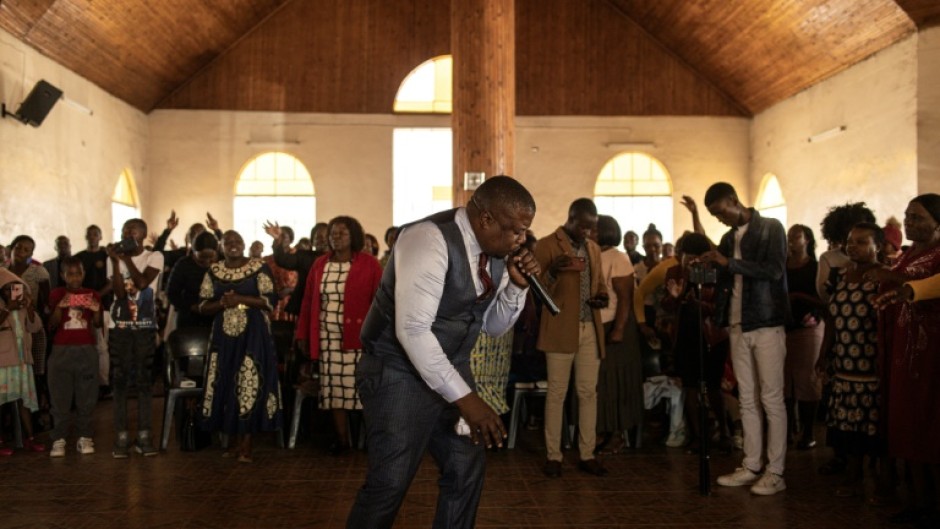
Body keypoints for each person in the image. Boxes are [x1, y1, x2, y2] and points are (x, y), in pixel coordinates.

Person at [346, 176, 538, 529]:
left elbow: (492, 326)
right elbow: (413, 331)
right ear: (486, 220)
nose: (521, 240)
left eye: (525, 231)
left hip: (450, 368)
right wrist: (468, 400)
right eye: (516, 230)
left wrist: (516, 287)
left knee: (466, 467)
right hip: (397, 373)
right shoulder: (428, 238)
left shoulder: (494, 250)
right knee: (390, 482)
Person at [701, 182, 789, 496]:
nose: (720, 219)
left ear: (734, 201)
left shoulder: (770, 228)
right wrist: (710, 267)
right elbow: (727, 279)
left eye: (720, 212)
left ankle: (775, 471)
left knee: (771, 399)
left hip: (766, 323)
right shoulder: (727, 239)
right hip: (738, 325)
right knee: (747, 398)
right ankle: (752, 465)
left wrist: (730, 263)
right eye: (714, 215)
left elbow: (775, 270)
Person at [868, 194, 940, 527]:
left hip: (931, 355)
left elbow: (921, 283)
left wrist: (890, 279)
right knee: (907, 422)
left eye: (918, 217)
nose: (909, 222)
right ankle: (918, 500)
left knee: (930, 423)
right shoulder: (909, 253)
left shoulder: (937, 255)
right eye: (907, 216)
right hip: (904, 353)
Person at [295, 216, 382, 455]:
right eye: (333, 233)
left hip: (360, 338)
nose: (336, 236)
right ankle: (342, 441)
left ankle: (371, 441)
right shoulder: (320, 264)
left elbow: (381, 302)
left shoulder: (369, 264)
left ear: (354, 236)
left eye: (342, 232)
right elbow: (308, 302)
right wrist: (303, 334)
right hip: (328, 336)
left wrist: (380, 337)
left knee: (363, 392)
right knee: (334, 391)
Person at [535, 198, 609, 478]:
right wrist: (554, 269)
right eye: (585, 227)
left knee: (588, 393)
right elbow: (536, 289)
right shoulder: (546, 245)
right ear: (572, 219)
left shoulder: (593, 249)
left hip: (590, 326)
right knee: (556, 393)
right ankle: (554, 456)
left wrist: (602, 296)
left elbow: (599, 282)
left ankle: (587, 454)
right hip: (559, 327)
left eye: (592, 228)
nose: (588, 233)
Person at [198, 230, 283, 463]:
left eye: (237, 241)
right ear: (221, 246)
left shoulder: (258, 267)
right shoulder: (214, 270)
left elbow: (269, 301)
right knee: (224, 381)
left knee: (248, 381)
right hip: (223, 335)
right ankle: (233, 442)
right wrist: (222, 303)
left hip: (253, 334)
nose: (233, 245)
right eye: (228, 243)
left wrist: (241, 300)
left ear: (244, 244)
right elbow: (203, 304)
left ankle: (246, 444)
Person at [816, 223, 885, 499]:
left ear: (877, 246)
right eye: (850, 241)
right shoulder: (841, 275)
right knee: (847, 423)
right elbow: (832, 318)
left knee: (873, 424)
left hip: (870, 362)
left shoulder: (882, 277)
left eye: (861, 242)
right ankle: (854, 475)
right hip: (844, 362)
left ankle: (882, 480)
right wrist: (823, 354)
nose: (852, 246)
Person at [659, 233, 732, 454]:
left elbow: (721, 308)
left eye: (693, 256)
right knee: (689, 385)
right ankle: (698, 436)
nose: (689, 260)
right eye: (684, 255)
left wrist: (698, 302)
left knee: (712, 386)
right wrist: (675, 297)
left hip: (712, 335)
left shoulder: (714, 272)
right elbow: (668, 307)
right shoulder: (674, 272)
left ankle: (725, 432)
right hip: (686, 334)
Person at [106, 218, 164, 458]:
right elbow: (120, 294)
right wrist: (114, 261)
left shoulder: (155, 256)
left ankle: (144, 435)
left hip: (144, 327)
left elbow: (141, 283)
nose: (127, 235)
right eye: (123, 232)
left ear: (143, 234)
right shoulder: (115, 260)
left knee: (143, 380)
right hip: (119, 326)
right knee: (119, 381)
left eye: (132, 231)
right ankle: (121, 436)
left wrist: (124, 259)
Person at [594, 215, 642, 454]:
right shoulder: (592, 254)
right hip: (597, 325)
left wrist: (619, 329)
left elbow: (625, 298)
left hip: (615, 325)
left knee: (616, 381)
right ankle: (601, 429)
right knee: (601, 382)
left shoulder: (618, 257)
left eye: (593, 228)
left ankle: (616, 434)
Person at [47, 257, 102, 457]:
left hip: (86, 349)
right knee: (60, 396)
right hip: (61, 350)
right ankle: (59, 438)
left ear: (84, 274)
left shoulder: (93, 294)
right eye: (70, 274)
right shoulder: (56, 294)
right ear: (62, 276)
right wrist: (60, 306)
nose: (75, 278)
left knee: (86, 396)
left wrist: (95, 310)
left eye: (78, 273)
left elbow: (97, 324)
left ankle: (84, 437)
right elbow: (52, 324)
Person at [784, 224, 823, 450]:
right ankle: (788, 429)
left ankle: (808, 431)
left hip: (808, 326)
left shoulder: (815, 267)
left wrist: (798, 297)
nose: (791, 240)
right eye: (789, 236)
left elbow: (824, 299)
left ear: (807, 239)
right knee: (785, 382)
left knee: (807, 379)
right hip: (785, 327)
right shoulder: (782, 267)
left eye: (795, 236)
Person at [0, 268, 46, 454]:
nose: (13, 291)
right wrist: (7, 308)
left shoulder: (22, 307)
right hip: (3, 360)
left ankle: (30, 438)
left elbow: (35, 327)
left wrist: (30, 308)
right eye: (8, 288)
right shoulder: (4, 305)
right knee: (1, 402)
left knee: (24, 400)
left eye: (17, 288)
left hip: (22, 359)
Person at [74, 225, 111, 397]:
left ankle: (103, 382)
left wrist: (95, 297)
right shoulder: (80, 258)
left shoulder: (107, 256)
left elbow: (112, 282)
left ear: (101, 236)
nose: (92, 237)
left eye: (96, 234)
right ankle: (87, 381)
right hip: (82, 306)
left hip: (102, 306)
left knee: (101, 346)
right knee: (84, 344)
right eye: (89, 234)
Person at [166, 231, 219, 329]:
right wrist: (192, 307)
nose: (207, 261)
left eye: (211, 258)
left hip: (216, 317)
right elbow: (171, 293)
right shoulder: (183, 264)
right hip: (189, 318)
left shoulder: (221, 264)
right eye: (202, 258)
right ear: (193, 252)